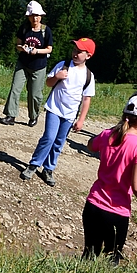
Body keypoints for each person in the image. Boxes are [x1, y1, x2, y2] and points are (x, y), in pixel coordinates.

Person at [82, 95, 137, 264]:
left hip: (93, 206)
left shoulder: (108, 135)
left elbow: (90, 144)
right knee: (112, 259)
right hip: (116, 212)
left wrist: (110, 132)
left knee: (89, 254)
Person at [21, 38, 96, 187]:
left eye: (79, 51)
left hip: (70, 115)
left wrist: (81, 120)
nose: (75, 53)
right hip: (54, 108)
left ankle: (48, 169)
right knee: (48, 137)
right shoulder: (63, 65)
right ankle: (33, 165)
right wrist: (57, 77)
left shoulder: (88, 76)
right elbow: (48, 83)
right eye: (74, 50)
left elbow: (86, 99)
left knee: (59, 142)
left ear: (88, 56)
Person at [1, 0, 53, 126]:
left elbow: (49, 49)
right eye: (32, 15)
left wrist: (37, 51)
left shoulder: (46, 31)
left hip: (39, 66)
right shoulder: (24, 28)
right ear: (28, 16)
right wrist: (22, 48)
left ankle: (33, 116)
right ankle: (10, 115)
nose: (35, 18)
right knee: (15, 88)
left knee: (35, 94)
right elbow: (17, 45)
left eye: (37, 15)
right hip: (23, 63)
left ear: (41, 16)